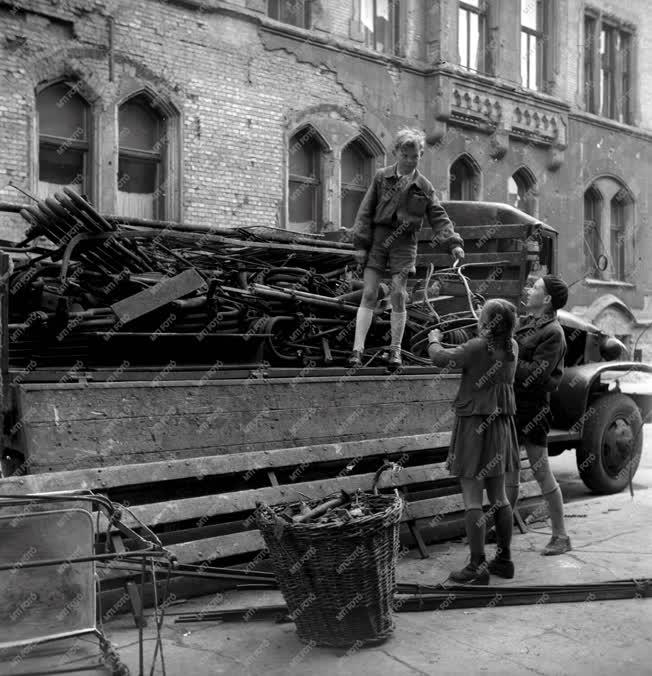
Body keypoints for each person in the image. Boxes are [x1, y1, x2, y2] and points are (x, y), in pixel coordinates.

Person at [349, 128, 464, 369]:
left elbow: (438, 217)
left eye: (416, 156)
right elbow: (365, 212)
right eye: (406, 155)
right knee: (369, 293)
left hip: (404, 243)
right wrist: (360, 245)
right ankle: (357, 351)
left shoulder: (424, 185)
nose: (410, 160)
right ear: (396, 153)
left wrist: (453, 243)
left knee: (398, 294)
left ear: (420, 155)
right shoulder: (381, 177)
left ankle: (395, 351)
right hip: (379, 240)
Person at [428, 299, 520, 584]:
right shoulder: (512, 347)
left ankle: (477, 566)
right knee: (499, 498)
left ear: (487, 322)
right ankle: (504, 560)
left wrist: (433, 339)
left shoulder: (478, 347)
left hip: (474, 427)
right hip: (501, 428)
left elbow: (441, 359)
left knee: (472, 500)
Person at [504, 274, 571, 557]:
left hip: (533, 409)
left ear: (546, 300)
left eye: (536, 288)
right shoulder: (528, 323)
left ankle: (561, 536)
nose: (529, 289)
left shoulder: (553, 333)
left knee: (541, 472)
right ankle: (505, 525)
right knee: (509, 471)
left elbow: (537, 374)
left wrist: (511, 359)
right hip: (513, 404)